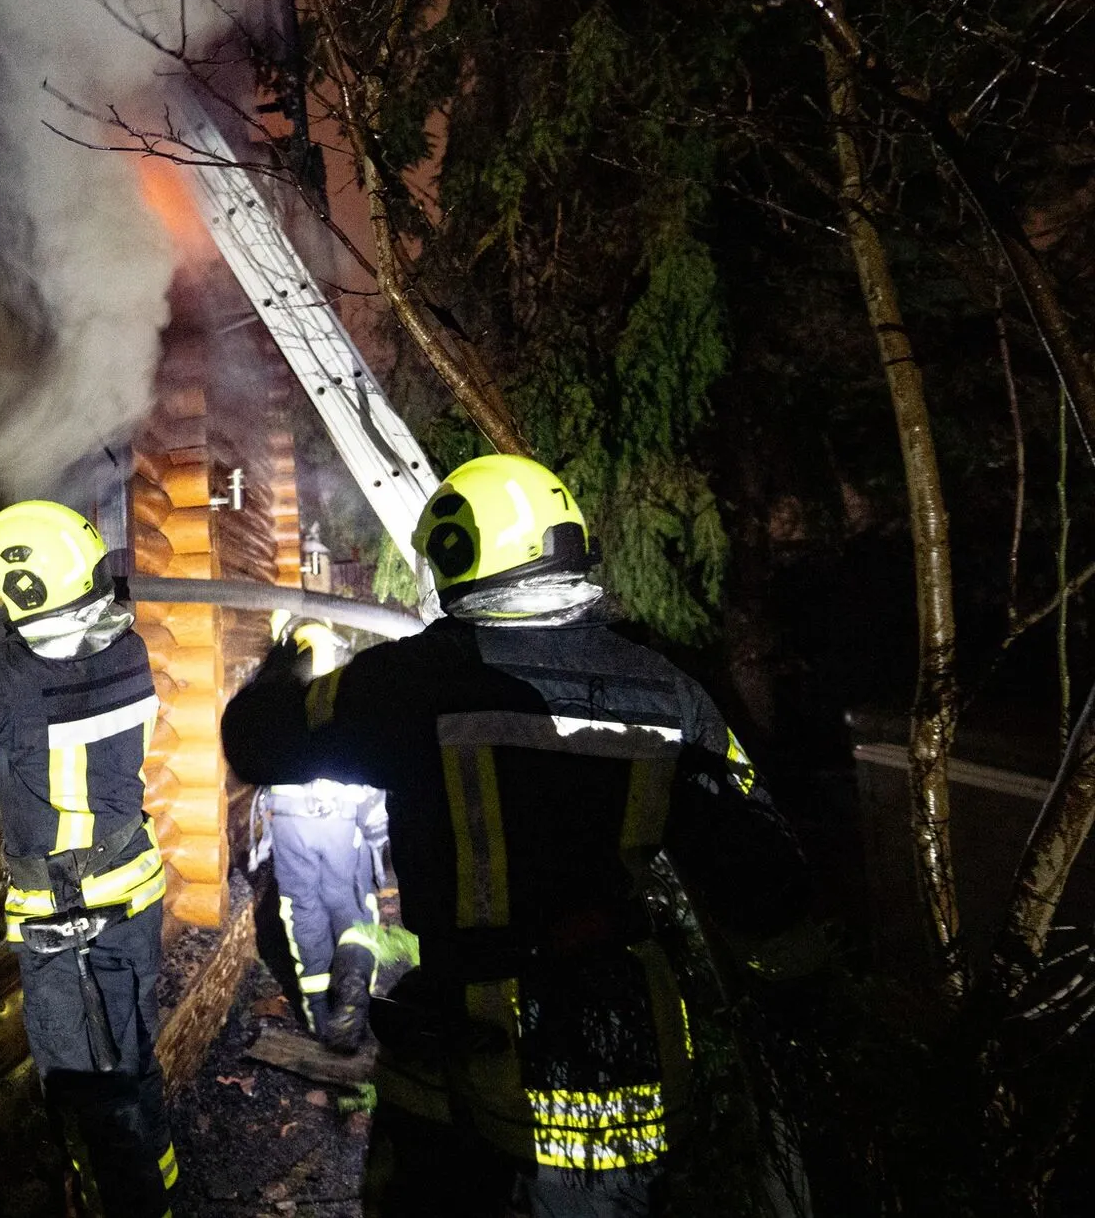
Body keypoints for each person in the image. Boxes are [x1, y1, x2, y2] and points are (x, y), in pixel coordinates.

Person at [222, 455, 825, 1217]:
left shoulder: (411, 682)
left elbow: (256, 742)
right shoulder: (672, 691)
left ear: (455, 557)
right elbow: (767, 881)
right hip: (615, 1068)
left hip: (459, 1068)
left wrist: (284, 664)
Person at [0, 500, 179, 1218]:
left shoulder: (4, 677)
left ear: (25, 589)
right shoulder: (130, 648)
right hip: (134, 891)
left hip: (62, 917)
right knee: (134, 1058)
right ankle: (164, 1188)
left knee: (85, 1089)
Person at [247, 620, 389, 1053]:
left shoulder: (274, 683)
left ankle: (319, 1018)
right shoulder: (346, 680)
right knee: (353, 906)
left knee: (302, 911)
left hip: (290, 815)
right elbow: (367, 749)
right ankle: (355, 997)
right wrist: (377, 829)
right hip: (342, 810)